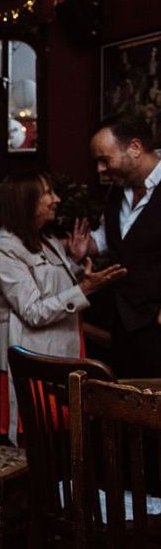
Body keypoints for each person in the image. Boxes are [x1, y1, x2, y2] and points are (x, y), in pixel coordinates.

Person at [0, 169, 125, 444]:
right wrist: (84, 289)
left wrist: (75, 264)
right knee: (42, 440)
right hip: (37, 358)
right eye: (48, 193)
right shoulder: (5, 247)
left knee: (66, 435)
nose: (56, 199)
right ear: (26, 201)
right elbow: (33, 311)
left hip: (63, 349)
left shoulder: (46, 238)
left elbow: (54, 285)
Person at [82, 114, 161, 377]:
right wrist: (89, 246)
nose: (100, 169)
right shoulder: (117, 191)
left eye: (105, 159)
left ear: (135, 148)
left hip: (156, 321)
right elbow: (113, 237)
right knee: (126, 401)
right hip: (123, 319)